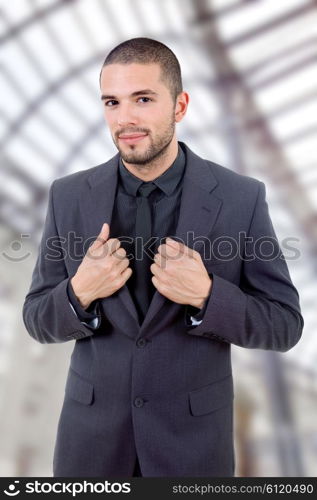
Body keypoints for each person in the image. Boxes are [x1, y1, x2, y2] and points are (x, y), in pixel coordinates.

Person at [22, 37, 303, 478]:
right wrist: (79, 293)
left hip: (192, 452)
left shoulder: (240, 198)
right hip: (90, 449)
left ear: (180, 105)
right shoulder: (69, 195)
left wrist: (209, 297)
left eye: (144, 99)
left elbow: (285, 324)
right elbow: (37, 317)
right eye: (112, 102)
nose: (125, 118)